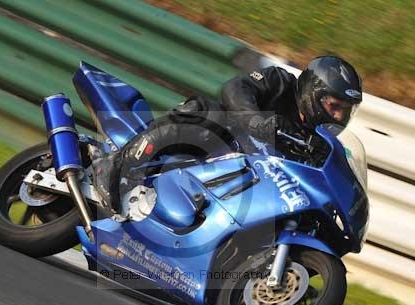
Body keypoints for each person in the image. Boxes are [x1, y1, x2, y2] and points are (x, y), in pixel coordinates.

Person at [93, 55, 363, 213]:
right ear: (313, 93)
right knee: (210, 116)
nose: (339, 116)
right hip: (215, 146)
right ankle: (117, 167)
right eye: (334, 106)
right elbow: (236, 87)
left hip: (242, 187)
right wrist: (254, 119)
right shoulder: (280, 83)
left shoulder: (318, 144)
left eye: (345, 110)